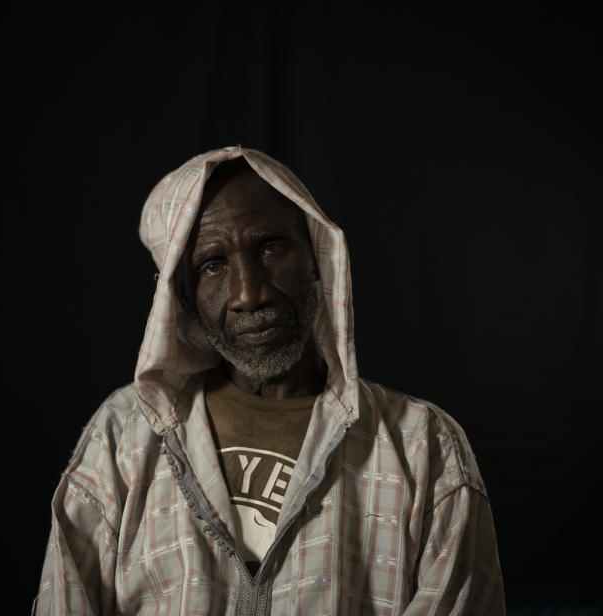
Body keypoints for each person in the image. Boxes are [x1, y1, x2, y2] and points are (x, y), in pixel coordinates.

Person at [33, 146, 505, 615]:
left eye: (270, 248)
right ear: (184, 296)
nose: (249, 294)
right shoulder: (125, 438)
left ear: (315, 257)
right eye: (212, 265)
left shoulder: (423, 446)